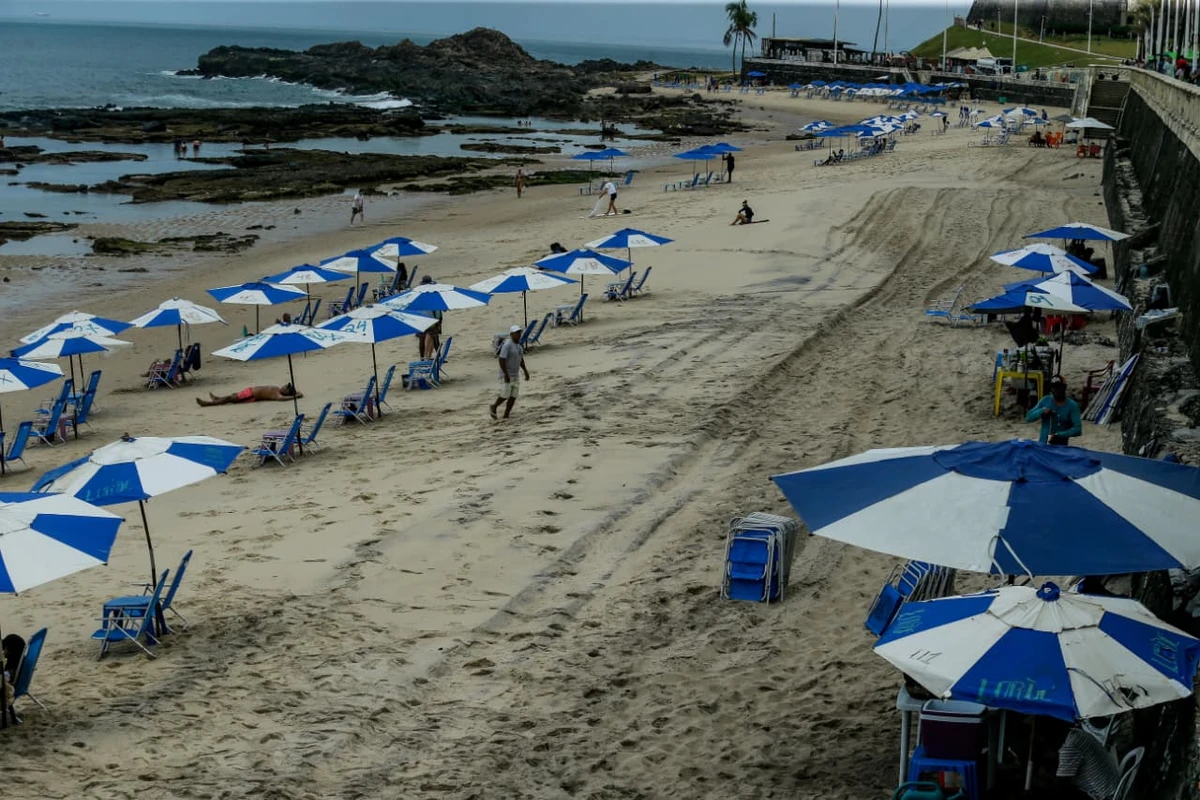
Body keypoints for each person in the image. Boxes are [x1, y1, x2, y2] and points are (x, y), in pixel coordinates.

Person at [1056, 724, 1122, 800]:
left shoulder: (1069, 747)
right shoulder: (1077, 733)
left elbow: (1062, 786)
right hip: (1113, 785)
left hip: (1106, 795)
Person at [1026, 375, 1082, 445]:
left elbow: (1078, 429)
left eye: (1058, 387)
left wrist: (1059, 435)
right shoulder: (1045, 400)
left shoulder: (1072, 406)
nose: (1055, 390)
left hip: (1060, 448)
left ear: (1064, 388)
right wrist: (1042, 411)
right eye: (1053, 387)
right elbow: (1028, 417)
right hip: (1043, 445)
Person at [490, 325, 530, 420]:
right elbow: (501, 360)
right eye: (516, 333)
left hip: (515, 375)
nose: (518, 335)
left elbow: (521, 359)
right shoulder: (507, 345)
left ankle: (506, 414)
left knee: (513, 396)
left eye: (519, 333)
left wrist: (525, 371)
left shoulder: (518, 346)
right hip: (506, 375)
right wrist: (506, 374)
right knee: (505, 395)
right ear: (511, 334)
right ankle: (494, 406)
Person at [196, 385, 302, 406]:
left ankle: (209, 403)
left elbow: (282, 399)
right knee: (233, 396)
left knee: (230, 399)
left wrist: (295, 396)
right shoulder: (277, 388)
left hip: (251, 396)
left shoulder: (277, 394)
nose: (284, 386)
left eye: (287, 387)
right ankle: (217, 398)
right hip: (250, 391)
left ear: (286, 392)